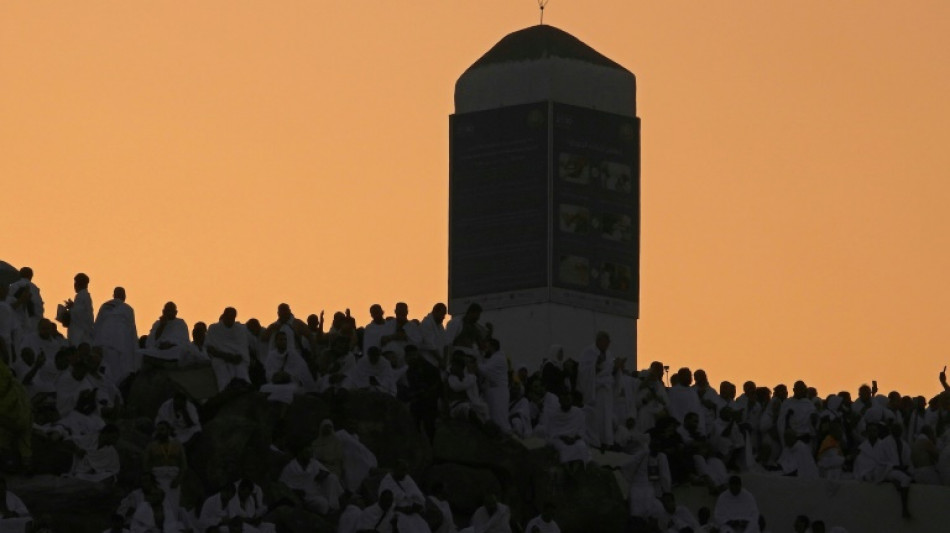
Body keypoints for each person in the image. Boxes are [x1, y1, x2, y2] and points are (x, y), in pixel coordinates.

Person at [142, 421, 187, 522]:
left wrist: (179, 479)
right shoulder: (151, 446)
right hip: (158, 480)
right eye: (158, 430)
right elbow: (145, 465)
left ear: (168, 430)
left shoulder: (177, 445)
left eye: (162, 429)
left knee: (173, 506)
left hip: (173, 481)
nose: (159, 432)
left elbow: (183, 465)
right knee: (159, 506)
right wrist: (151, 482)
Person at [278, 445, 343, 515]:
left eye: (310, 452)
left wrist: (322, 475)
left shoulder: (313, 462)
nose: (309, 454)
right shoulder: (291, 467)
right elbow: (283, 485)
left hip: (318, 490)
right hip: (306, 497)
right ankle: (329, 512)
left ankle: (334, 508)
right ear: (300, 453)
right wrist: (294, 492)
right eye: (306, 452)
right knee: (322, 503)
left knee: (332, 478)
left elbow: (326, 472)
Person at [92, 287, 138, 384]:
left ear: (114, 295)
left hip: (104, 342)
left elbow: (97, 325)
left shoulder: (105, 306)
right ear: (124, 297)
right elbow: (132, 330)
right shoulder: (128, 309)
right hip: (120, 344)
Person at [377, 460, 431, 533]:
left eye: (406, 470)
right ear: (395, 469)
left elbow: (418, 497)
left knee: (422, 526)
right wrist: (401, 509)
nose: (404, 473)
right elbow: (383, 503)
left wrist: (416, 506)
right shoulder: (386, 482)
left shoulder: (407, 479)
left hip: (412, 513)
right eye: (402, 470)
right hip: (395, 513)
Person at [206, 307, 251, 392]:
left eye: (232, 317)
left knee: (243, 380)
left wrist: (235, 358)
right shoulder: (213, 328)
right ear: (224, 315)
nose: (230, 319)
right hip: (220, 359)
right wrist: (226, 356)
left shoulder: (240, 329)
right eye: (228, 316)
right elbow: (210, 348)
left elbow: (243, 349)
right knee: (224, 381)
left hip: (237, 361)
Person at [545, 392, 590, 469]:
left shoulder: (578, 412)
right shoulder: (554, 414)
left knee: (581, 446)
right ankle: (567, 469)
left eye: (568, 400)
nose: (566, 402)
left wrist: (574, 438)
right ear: (559, 401)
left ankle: (578, 469)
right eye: (564, 400)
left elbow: (582, 430)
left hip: (575, 439)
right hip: (559, 439)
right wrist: (563, 437)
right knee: (563, 448)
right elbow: (551, 432)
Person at [478, 338, 510, 434]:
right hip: (494, 392)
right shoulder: (494, 357)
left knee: (500, 419)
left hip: (499, 393)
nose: (486, 349)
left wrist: (474, 364)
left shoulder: (498, 358)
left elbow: (485, 370)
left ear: (492, 347)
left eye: (487, 346)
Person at [61, 272, 95, 347]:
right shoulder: (83, 296)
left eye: (76, 283)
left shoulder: (83, 295)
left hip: (81, 335)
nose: (74, 285)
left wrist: (72, 308)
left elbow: (82, 314)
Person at [418, 303, 448, 368]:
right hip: (428, 362)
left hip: (439, 363)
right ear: (435, 312)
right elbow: (431, 346)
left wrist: (444, 360)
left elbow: (445, 343)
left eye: (444, 314)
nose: (443, 317)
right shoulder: (426, 324)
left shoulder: (440, 325)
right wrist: (441, 360)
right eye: (442, 314)